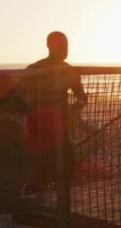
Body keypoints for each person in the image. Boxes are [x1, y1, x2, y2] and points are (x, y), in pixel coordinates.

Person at [21, 31, 87, 196]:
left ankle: (49, 193)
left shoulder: (64, 70)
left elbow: (82, 98)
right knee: (49, 162)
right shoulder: (36, 69)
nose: (66, 49)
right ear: (51, 46)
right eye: (63, 45)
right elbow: (21, 94)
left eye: (67, 45)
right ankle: (40, 193)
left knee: (59, 161)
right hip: (44, 125)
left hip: (53, 124)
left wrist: (74, 110)